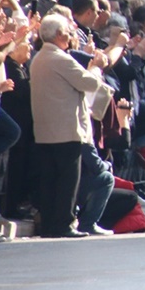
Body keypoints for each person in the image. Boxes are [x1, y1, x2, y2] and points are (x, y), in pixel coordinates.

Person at [28, 14, 112, 237]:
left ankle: (49, 224)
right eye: (67, 32)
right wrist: (96, 66)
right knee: (67, 181)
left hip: (46, 131)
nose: (70, 36)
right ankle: (64, 223)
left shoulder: (38, 58)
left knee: (49, 180)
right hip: (66, 130)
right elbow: (90, 82)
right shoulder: (59, 58)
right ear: (58, 35)